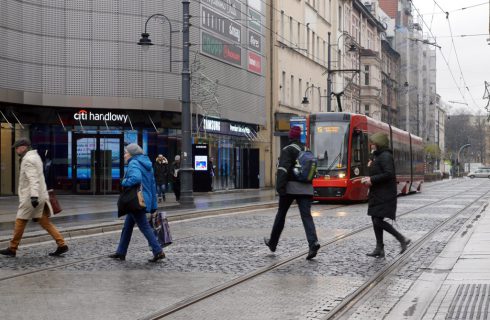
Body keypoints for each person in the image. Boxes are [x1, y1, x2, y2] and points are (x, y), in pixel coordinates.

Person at [0, 138, 68, 257]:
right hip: (39, 195)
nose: (16, 150)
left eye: (17, 147)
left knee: (20, 220)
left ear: (24, 147)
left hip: (31, 197)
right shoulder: (35, 156)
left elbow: (33, 179)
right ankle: (61, 244)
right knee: (44, 222)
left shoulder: (28, 160)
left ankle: (12, 248)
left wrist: (34, 197)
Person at [264, 126, 320, 260]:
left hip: (290, 188)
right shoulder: (306, 149)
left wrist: (280, 188)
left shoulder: (287, 150)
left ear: (290, 136)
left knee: (281, 215)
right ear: (299, 136)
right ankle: (313, 243)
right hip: (306, 188)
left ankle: (273, 243)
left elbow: (283, 169)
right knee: (307, 217)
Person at [109, 143, 165, 262]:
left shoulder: (134, 163)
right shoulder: (147, 163)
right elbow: (152, 185)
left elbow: (136, 178)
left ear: (132, 154)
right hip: (144, 200)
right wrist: (153, 204)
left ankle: (158, 250)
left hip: (136, 201)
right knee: (127, 227)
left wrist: (123, 182)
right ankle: (121, 252)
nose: (124, 155)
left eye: (126, 153)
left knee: (144, 226)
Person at [362, 132, 411, 258]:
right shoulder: (377, 156)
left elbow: (388, 174)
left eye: (373, 144)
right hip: (377, 193)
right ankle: (379, 248)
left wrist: (372, 180)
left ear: (378, 144)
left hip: (385, 194)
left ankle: (402, 239)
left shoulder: (385, 156)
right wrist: (369, 178)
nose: (371, 146)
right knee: (375, 219)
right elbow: (378, 172)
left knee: (378, 220)